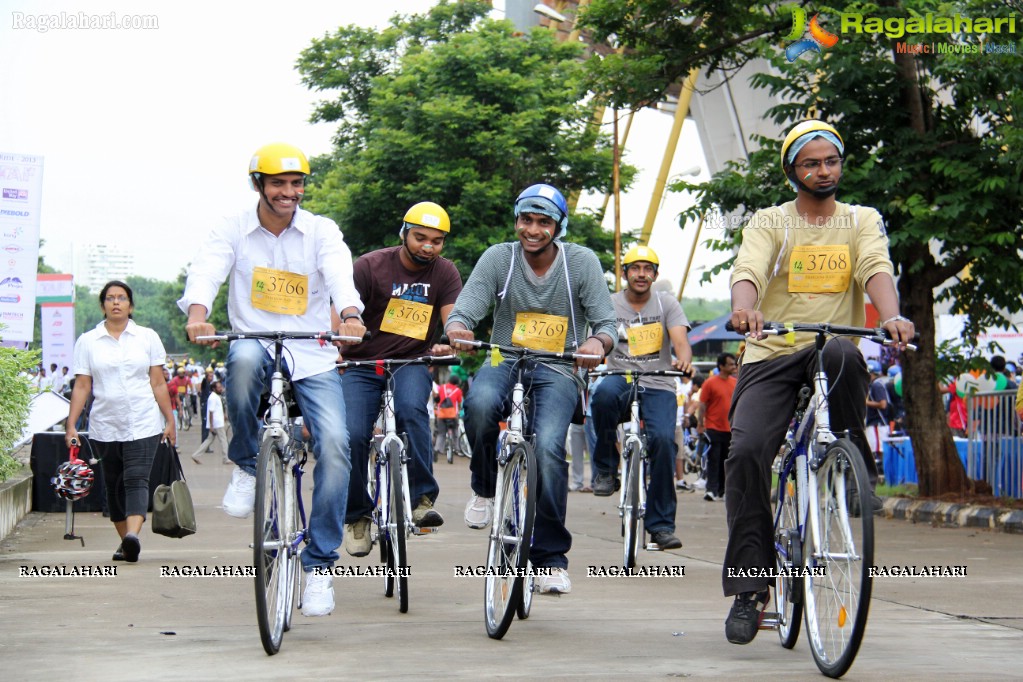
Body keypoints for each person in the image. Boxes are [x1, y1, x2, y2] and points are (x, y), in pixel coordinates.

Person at [721, 120, 915, 645]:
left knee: (844, 354)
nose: (823, 170)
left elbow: (876, 266)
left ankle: (851, 465)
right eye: (811, 163)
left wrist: (892, 315)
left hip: (828, 349)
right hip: (772, 353)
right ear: (792, 171)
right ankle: (749, 587)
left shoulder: (861, 220)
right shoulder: (771, 221)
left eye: (831, 160)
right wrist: (744, 309)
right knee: (746, 454)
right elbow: (750, 269)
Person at [180, 142, 365, 617]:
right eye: (279, 183)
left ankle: (320, 566)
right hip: (255, 339)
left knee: (337, 447)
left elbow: (341, 275)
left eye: (296, 183)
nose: (289, 192)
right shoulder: (233, 229)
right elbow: (207, 271)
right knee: (239, 363)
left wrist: (349, 315)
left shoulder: (321, 231)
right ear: (258, 184)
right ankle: (245, 462)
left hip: (313, 350)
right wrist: (198, 315)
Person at [445, 183, 617, 595]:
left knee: (549, 448)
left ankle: (551, 558)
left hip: (559, 367)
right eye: (527, 219)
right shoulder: (498, 258)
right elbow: (468, 306)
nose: (533, 229)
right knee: (482, 403)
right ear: (517, 220)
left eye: (544, 222)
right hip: (504, 357)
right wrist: (458, 327)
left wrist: (597, 343)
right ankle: (485, 486)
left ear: (558, 226)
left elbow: (606, 324)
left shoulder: (581, 262)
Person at [336, 201, 462, 557]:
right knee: (355, 433)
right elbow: (342, 311)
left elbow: (453, 316)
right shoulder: (369, 266)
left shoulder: (445, 272)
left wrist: (454, 336)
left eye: (437, 241)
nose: (428, 247)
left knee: (411, 410)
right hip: (362, 365)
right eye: (421, 237)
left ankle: (422, 498)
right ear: (404, 234)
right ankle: (357, 516)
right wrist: (341, 336)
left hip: (410, 362)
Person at [590, 245, 692, 550]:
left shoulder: (666, 303)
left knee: (662, 441)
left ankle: (660, 526)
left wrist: (684, 360)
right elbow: (597, 339)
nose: (642, 274)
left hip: (659, 383)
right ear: (625, 273)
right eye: (635, 268)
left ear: (655, 275)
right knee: (602, 397)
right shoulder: (608, 304)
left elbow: (680, 341)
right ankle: (606, 469)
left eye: (648, 269)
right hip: (619, 377)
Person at [65, 281, 176, 563]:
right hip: (105, 426)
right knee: (113, 486)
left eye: (122, 298)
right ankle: (125, 541)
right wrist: (71, 425)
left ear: (130, 305)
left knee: (137, 480)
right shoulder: (88, 341)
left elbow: (158, 382)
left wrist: (170, 419)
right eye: (110, 298)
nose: (116, 302)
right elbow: (82, 385)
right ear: (103, 305)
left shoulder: (147, 337)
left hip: (143, 422)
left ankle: (133, 536)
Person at [698, 352, 737, 502]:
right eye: (730, 364)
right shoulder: (710, 383)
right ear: (721, 366)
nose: (734, 367)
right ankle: (711, 490)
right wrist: (701, 424)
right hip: (713, 427)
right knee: (713, 460)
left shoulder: (734, 383)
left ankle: (722, 490)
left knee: (726, 461)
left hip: (730, 429)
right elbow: (702, 404)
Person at [190, 380, 228, 464]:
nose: (221, 389)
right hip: (217, 423)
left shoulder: (216, 397)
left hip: (217, 422)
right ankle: (226, 457)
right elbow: (211, 412)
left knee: (209, 440)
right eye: (219, 387)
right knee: (223, 440)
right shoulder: (213, 397)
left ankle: (196, 455)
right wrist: (211, 425)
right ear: (214, 389)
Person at [865, 360, 890, 468]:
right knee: (875, 448)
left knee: (879, 449)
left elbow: (883, 404)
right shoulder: (875, 384)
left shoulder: (876, 385)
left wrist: (866, 402)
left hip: (878, 422)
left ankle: (883, 470)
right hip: (875, 423)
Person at [433, 374, 465, 457]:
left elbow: (437, 398)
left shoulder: (442, 387)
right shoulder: (458, 390)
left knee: (441, 434)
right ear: (457, 382)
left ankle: (437, 449)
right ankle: (457, 449)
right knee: (455, 433)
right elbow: (459, 401)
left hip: (441, 414)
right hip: (453, 414)